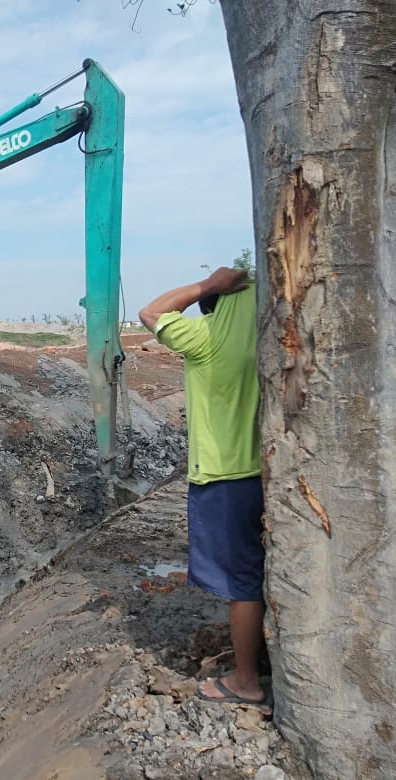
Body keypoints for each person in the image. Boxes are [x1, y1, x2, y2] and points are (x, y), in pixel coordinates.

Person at [138, 266, 267, 706]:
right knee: (258, 570)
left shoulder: (209, 339)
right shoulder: (266, 335)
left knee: (240, 581)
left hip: (224, 478)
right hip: (265, 474)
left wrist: (209, 285)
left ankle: (246, 681)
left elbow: (150, 311)